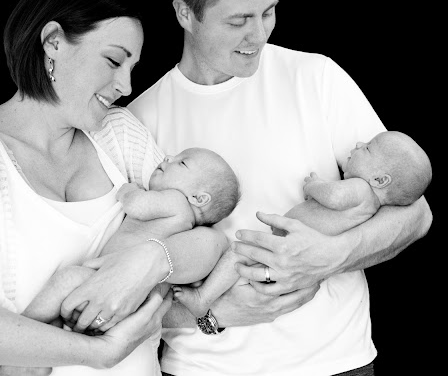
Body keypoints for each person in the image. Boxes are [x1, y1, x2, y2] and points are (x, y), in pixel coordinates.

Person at [126, 0, 433, 375]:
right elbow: (122, 281)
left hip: (336, 364)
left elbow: (414, 212)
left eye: (267, 12)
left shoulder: (315, 77)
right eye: (238, 20)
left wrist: (332, 255)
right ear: (185, 14)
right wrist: (215, 315)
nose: (258, 36)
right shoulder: (139, 123)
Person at [0, 0, 229, 376]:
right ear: (53, 42)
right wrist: (94, 352)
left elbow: (208, 240)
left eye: (132, 68)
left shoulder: (118, 133)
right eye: (113, 61)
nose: (126, 86)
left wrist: (148, 261)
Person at [173, 131, 432, 318]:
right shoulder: (369, 206)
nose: (358, 143)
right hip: (291, 256)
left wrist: (314, 186)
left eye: (367, 149)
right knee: (241, 269)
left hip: (285, 248)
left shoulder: (361, 190)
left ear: (380, 180)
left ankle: (202, 298)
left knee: (237, 253)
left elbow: (334, 197)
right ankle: (207, 291)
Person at [2, 147, 238, 345]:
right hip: (133, 302)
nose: (168, 158)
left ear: (198, 198)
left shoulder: (176, 202)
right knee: (64, 312)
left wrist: (128, 190)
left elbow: (136, 206)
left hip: (109, 284)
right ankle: (40, 351)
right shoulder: (188, 228)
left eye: (182, 162)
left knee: (66, 280)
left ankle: (21, 341)